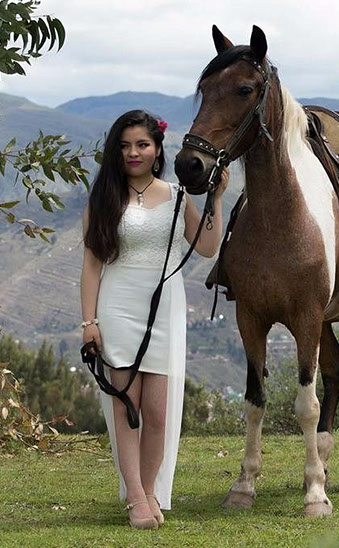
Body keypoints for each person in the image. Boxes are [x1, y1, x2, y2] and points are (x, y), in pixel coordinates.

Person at [79, 110, 227, 529]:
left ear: (157, 149)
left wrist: (216, 198)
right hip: (117, 304)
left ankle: (148, 490)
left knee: (158, 413)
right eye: (125, 145)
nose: (134, 152)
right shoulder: (104, 198)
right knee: (127, 407)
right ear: (115, 151)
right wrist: (89, 323)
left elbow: (208, 247)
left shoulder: (178, 196)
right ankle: (136, 498)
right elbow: (91, 266)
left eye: (142, 144)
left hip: (165, 308)